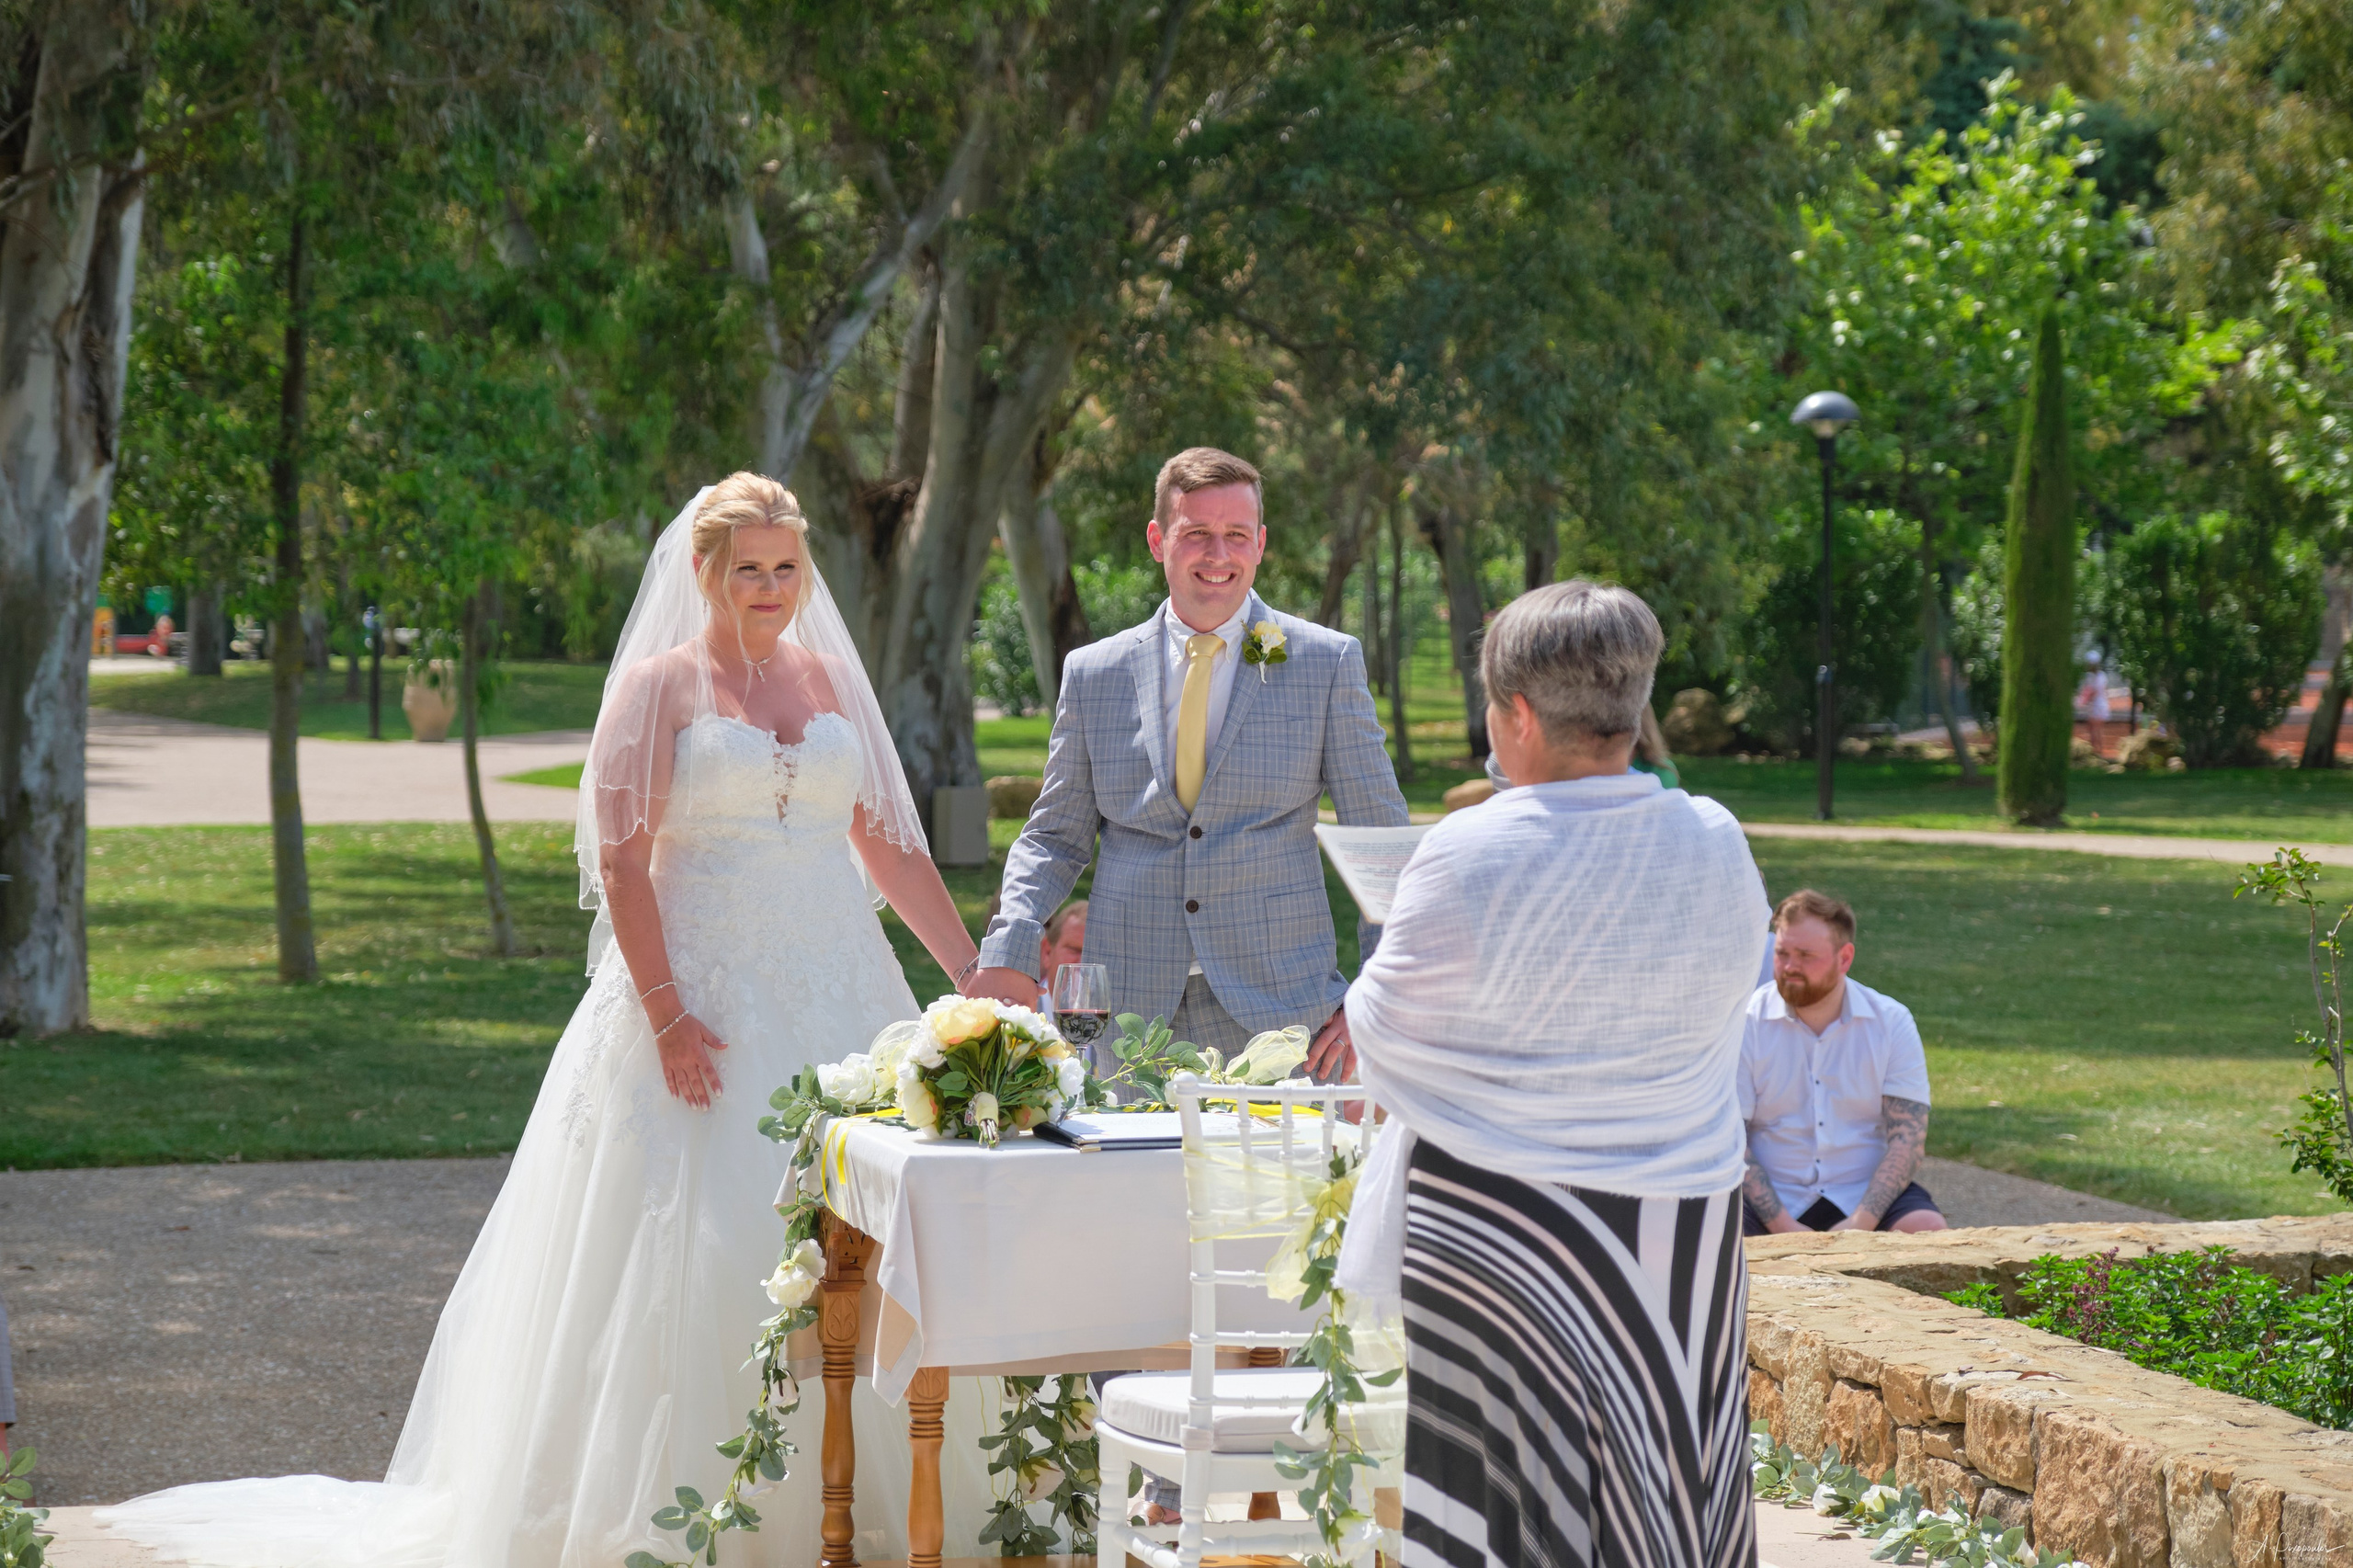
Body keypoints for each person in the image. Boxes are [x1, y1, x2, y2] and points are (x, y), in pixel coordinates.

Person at [99, 475, 997, 1565]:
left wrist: (968, 968)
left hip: (841, 996)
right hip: (700, 999)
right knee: (706, 1251)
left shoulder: (829, 681)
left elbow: (886, 843)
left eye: (786, 567)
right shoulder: (661, 686)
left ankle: (876, 1505)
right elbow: (621, 860)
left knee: (867, 1233)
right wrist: (667, 1013)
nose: (771, 587)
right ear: (704, 571)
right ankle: (698, 1518)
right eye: (749, 567)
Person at [1336, 580, 1769, 1568]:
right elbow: (1730, 995)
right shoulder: (1714, 836)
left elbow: (1382, 1029)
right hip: (1678, 1229)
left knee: (1507, 1507)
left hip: (1498, 1232)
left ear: (1518, 714)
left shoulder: (1465, 848)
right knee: (1668, 1480)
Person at [968, 447, 1406, 1075]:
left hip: (1284, 1016)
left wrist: (1381, 998)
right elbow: (1054, 835)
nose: (1217, 555)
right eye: (1196, 533)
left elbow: (1381, 845)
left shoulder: (1322, 663)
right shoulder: (1095, 673)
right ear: (1157, 540)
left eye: (1235, 535)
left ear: (1260, 544)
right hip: (1129, 1027)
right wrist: (1010, 944)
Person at [1741, 890, 1947, 1236]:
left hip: (1863, 1196)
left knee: (1926, 1228)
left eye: (1806, 955)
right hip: (1772, 1199)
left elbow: (1907, 1141)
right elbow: (1732, 1138)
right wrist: (1784, 1227)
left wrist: (1858, 1226)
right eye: (1782, 953)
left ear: (1845, 957)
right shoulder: (1747, 1022)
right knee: (1717, 1236)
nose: (1790, 967)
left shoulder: (1891, 1021)